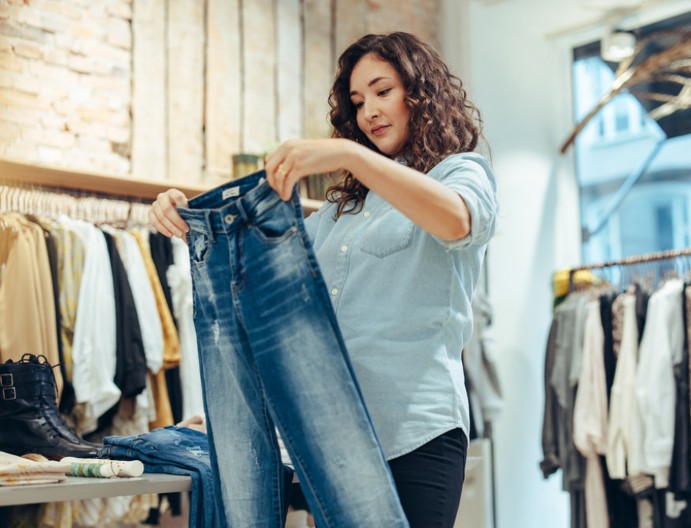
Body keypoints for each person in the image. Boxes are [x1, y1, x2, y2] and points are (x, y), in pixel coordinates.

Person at [150, 31, 498, 528]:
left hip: (415, 432)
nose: (370, 111)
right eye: (358, 102)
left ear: (421, 94)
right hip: (329, 439)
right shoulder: (339, 213)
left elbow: (457, 221)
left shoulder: (462, 173)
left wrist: (353, 158)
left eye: (383, 91)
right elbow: (259, 276)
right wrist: (189, 219)